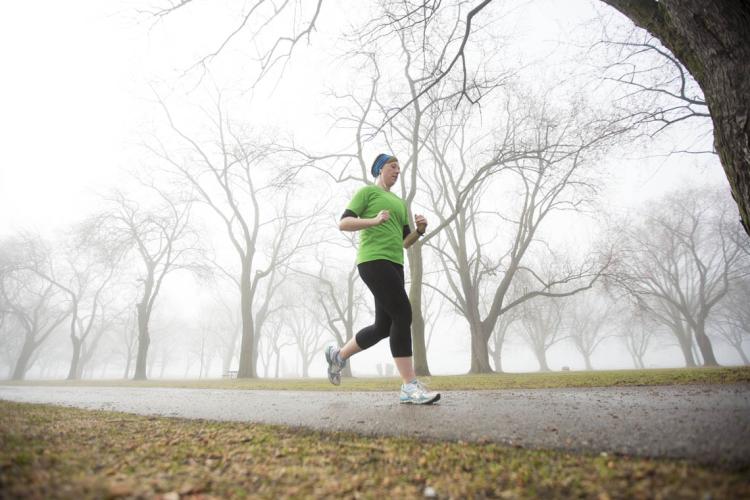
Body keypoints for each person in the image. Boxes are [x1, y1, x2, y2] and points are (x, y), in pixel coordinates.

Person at [325, 153, 440, 404]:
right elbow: (344, 223)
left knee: (383, 328)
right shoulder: (368, 193)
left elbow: (405, 242)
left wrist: (419, 231)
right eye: (392, 166)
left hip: (395, 264)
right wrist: (374, 220)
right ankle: (409, 386)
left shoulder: (400, 203)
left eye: (400, 168)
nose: (397, 171)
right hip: (373, 260)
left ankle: (338, 356)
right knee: (403, 314)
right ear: (380, 169)